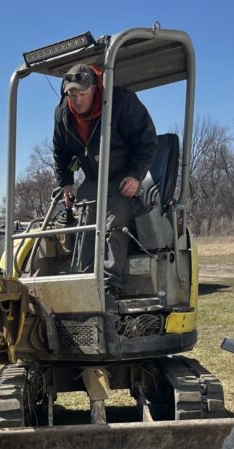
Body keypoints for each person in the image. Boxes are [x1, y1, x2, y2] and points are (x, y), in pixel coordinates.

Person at [52, 63, 157, 307]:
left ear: (94, 88)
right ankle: (83, 284)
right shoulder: (63, 114)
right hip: (93, 178)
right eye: (72, 94)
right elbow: (60, 151)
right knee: (84, 221)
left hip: (123, 177)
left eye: (82, 94)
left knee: (112, 221)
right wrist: (66, 183)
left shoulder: (122, 103)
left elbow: (148, 141)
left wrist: (135, 175)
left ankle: (108, 290)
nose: (77, 100)